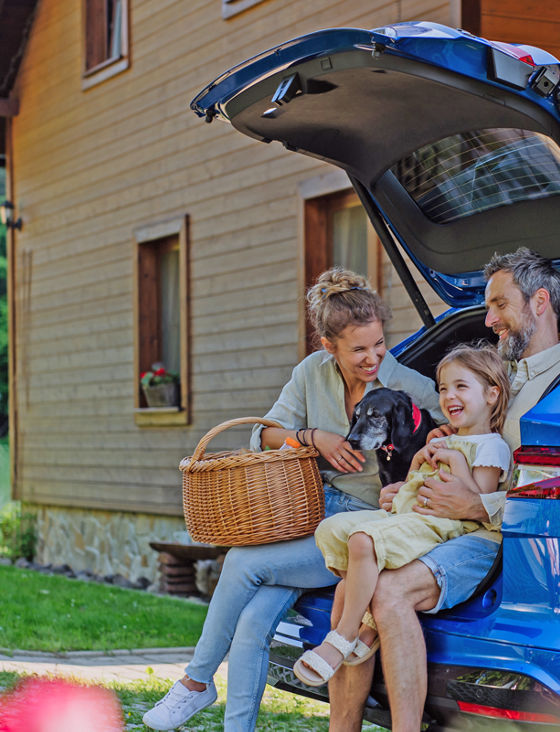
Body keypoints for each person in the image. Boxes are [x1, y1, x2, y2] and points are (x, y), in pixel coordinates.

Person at [143, 268, 441, 732]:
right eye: (359, 349)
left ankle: (195, 682)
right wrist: (312, 436)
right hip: (306, 515)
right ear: (329, 346)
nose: (374, 357)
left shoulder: (410, 387)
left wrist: (414, 480)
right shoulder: (311, 373)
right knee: (252, 623)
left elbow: (455, 436)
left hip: (358, 531)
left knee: (243, 563)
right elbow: (265, 436)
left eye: (379, 343)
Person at [327, 248, 560, 732]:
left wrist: (478, 504)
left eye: (500, 305)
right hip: (443, 527)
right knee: (349, 586)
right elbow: (461, 450)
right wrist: (406, 491)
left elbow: (555, 490)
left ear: (539, 301)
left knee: (390, 592)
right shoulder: (497, 376)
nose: (489, 319)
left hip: (504, 539)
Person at [293, 344, 511, 686]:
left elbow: (475, 503)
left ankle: (343, 639)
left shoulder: (491, 446)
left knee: (364, 541)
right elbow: (413, 481)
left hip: (444, 524)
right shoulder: (445, 438)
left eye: (460, 386)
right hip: (412, 512)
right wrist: (420, 462)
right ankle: (365, 622)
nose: (448, 395)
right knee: (332, 529)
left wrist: (451, 459)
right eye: (442, 388)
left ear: (492, 394)